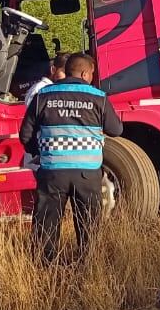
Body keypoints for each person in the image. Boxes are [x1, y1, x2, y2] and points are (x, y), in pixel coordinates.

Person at [19, 52, 122, 261]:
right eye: (92, 73)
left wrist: (41, 152)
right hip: (87, 172)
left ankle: (44, 267)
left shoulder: (43, 96)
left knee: (46, 224)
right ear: (84, 73)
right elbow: (116, 129)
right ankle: (88, 264)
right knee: (88, 226)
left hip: (52, 171)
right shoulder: (98, 97)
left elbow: (25, 135)